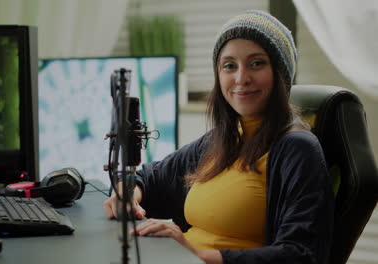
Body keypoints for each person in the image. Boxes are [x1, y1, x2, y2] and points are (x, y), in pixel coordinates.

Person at [103, 10, 334, 264]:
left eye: (256, 63)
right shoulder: (220, 140)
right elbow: (153, 177)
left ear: (280, 74)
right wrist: (128, 192)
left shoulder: (297, 149)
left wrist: (195, 255)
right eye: (229, 66)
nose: (241, 78)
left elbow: (301, 255)